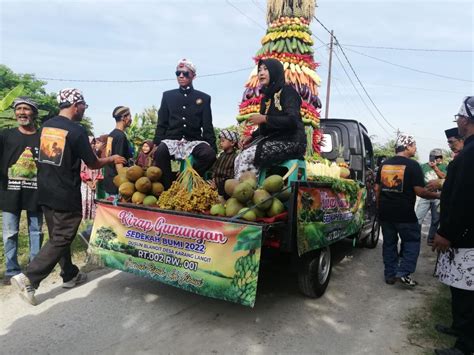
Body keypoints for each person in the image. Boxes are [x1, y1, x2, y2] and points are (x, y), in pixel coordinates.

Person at [11, 88, 126, 305]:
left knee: (57, 236)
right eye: (84, 106)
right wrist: (112, 159)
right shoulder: (77, 130)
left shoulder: (46, 126)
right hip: (65, 192)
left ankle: (69, 274)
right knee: (63, 237)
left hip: (45, 189)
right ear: (77, 105)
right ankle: (29, 277)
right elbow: (92, 163)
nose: (84, 110)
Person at [433, 96, 474, 355]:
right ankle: (460, 329)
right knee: (460, 289)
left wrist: (446, 232)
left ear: (468, 119)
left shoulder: (471, 151)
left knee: (467, 293)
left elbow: (464, 197)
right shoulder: (468, 149)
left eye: (458, 117)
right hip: (463, 234)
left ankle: (465, 346)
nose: (457, 122)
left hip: (466, 236)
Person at [375, 133, 440, 286]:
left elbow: (377, 188)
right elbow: (420, 192)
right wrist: (438, 196)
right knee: (412, 241)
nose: (416, 148)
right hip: (404, 213)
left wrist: (379, 207)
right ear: (407, 146)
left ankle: (390, 275)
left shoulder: (384, 164)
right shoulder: (413, 165)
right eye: (414, 145)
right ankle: (403, 272)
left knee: (389, 243)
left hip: (386, 212)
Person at [234, 58, 306, 179]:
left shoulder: (288, 92)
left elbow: (292, 121)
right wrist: (251, 136)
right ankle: (237, 192)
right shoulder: (266, 98)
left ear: (275, 71)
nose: (261, 73)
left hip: (292, 141)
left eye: (265, 69)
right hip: (273, 139)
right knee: (239, 157)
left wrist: (265, 118)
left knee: (248, 156)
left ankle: (249, 192)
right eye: (259, 70)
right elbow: (267, 128)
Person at [153, 59, 217, 189]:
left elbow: (207, 125)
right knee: (160, 152)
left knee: (209, 154)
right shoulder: (167, 96)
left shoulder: (204, 98)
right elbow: (162, 122)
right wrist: (157, 141)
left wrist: (212, 145)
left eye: (185, 73)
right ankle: (168, 186)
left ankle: (187, 177)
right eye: (178, 73)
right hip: (172, 139)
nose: (181, 76)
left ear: (193, 76)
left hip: (193, 140)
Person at [0, 97, 43, 285]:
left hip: (36, 192)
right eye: (19, 109)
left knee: (36, 231)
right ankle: (11, 270)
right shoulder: (5, 135)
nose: (22, 112)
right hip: (10, 192)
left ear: (33, 113)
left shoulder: (42, 137)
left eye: (26, 109)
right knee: (10, 232)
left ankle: (34, 270)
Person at [415, 149, 447, 246]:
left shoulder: (443, 166)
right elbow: (418, 179)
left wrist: (435, 168)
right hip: (425, 195)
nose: (439, 159)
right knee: (418, 218)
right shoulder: (423, 166)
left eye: (440, 157)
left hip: (437, 196)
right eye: (437, 157)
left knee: (435, 220)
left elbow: (444, 178)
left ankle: (431, 238)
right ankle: (415, 237)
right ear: (431, 157)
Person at [102, 106, 133, 196]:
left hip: (109, 181)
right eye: (130, 116)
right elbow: (119, 162)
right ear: (124, 118)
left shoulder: (112, 134)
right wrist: (124, 185)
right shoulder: (120, 136)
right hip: (117, 185)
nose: (131, 119)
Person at [210, 129, 239, 198]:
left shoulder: (235, 157)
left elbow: (234, 174)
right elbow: (215, 168)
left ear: (232, 143)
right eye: (220, 141)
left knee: (223, 191)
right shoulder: (221, 155)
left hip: (225, 184)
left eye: (223, 141)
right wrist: (213, 179)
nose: (221, 143)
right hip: (215, 181)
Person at [80, 137, 103, 220]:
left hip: (93, 183)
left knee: (93, 199)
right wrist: (89, 181)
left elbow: (100, 172)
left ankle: (91, 217)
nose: (92, 145)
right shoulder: (83, 157)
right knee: (85, 198)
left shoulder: (97, 157)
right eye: (91, 144)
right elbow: (82, 171)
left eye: (94, 143)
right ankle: (83, 218)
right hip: (86, 183)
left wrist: (95, 181)